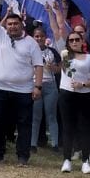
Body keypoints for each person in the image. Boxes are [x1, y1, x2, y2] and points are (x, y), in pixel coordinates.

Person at [0, 0, 43, 167]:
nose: (12, 26)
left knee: (24, 124)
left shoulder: (31, 43)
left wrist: (37, 86)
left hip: (23, 91)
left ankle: (23, 156)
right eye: (9, 24)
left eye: (15, 24)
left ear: (21, 25)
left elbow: (38, 66)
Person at [58, 30, 90, 174]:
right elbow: (56, 29)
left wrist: (82, 85)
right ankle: (67, 160)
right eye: (71, 40)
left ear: (83, 42)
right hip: (66, 94)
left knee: (84, 128)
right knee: (68, 128)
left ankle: (85, 161)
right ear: (68, 43)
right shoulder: (65, 56)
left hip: (84, 96)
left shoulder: (89, 58)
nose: (74, 42)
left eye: (77, 39)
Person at [31, 25, 60, 153]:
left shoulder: (52, 51)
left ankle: (55, 144)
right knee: (35, 116)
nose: (39, 38)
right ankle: (32, 144)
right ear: (33, 37)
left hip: (50, 85)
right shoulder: (29, 51)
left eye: (41, 36)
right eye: (36, 36)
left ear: (45, 37)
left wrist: (52, 67)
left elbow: (60, 69)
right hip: (34, 85)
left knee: (51, 116)